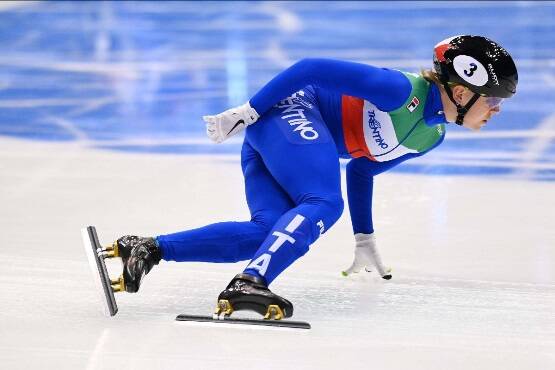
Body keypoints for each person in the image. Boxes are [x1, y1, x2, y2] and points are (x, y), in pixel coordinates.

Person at [109, 35, 518, 320]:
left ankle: (147, 249)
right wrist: (251, 109)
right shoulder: (399, 90)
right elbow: (312, 68)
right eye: (495, 99)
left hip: (282, 138)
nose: (497, 109)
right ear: (463, 92)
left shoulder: (432, 135)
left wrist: (365, 238)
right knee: (323, 202)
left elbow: (362, 169)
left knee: (266, 233)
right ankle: (250, 282)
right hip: (286, 115)